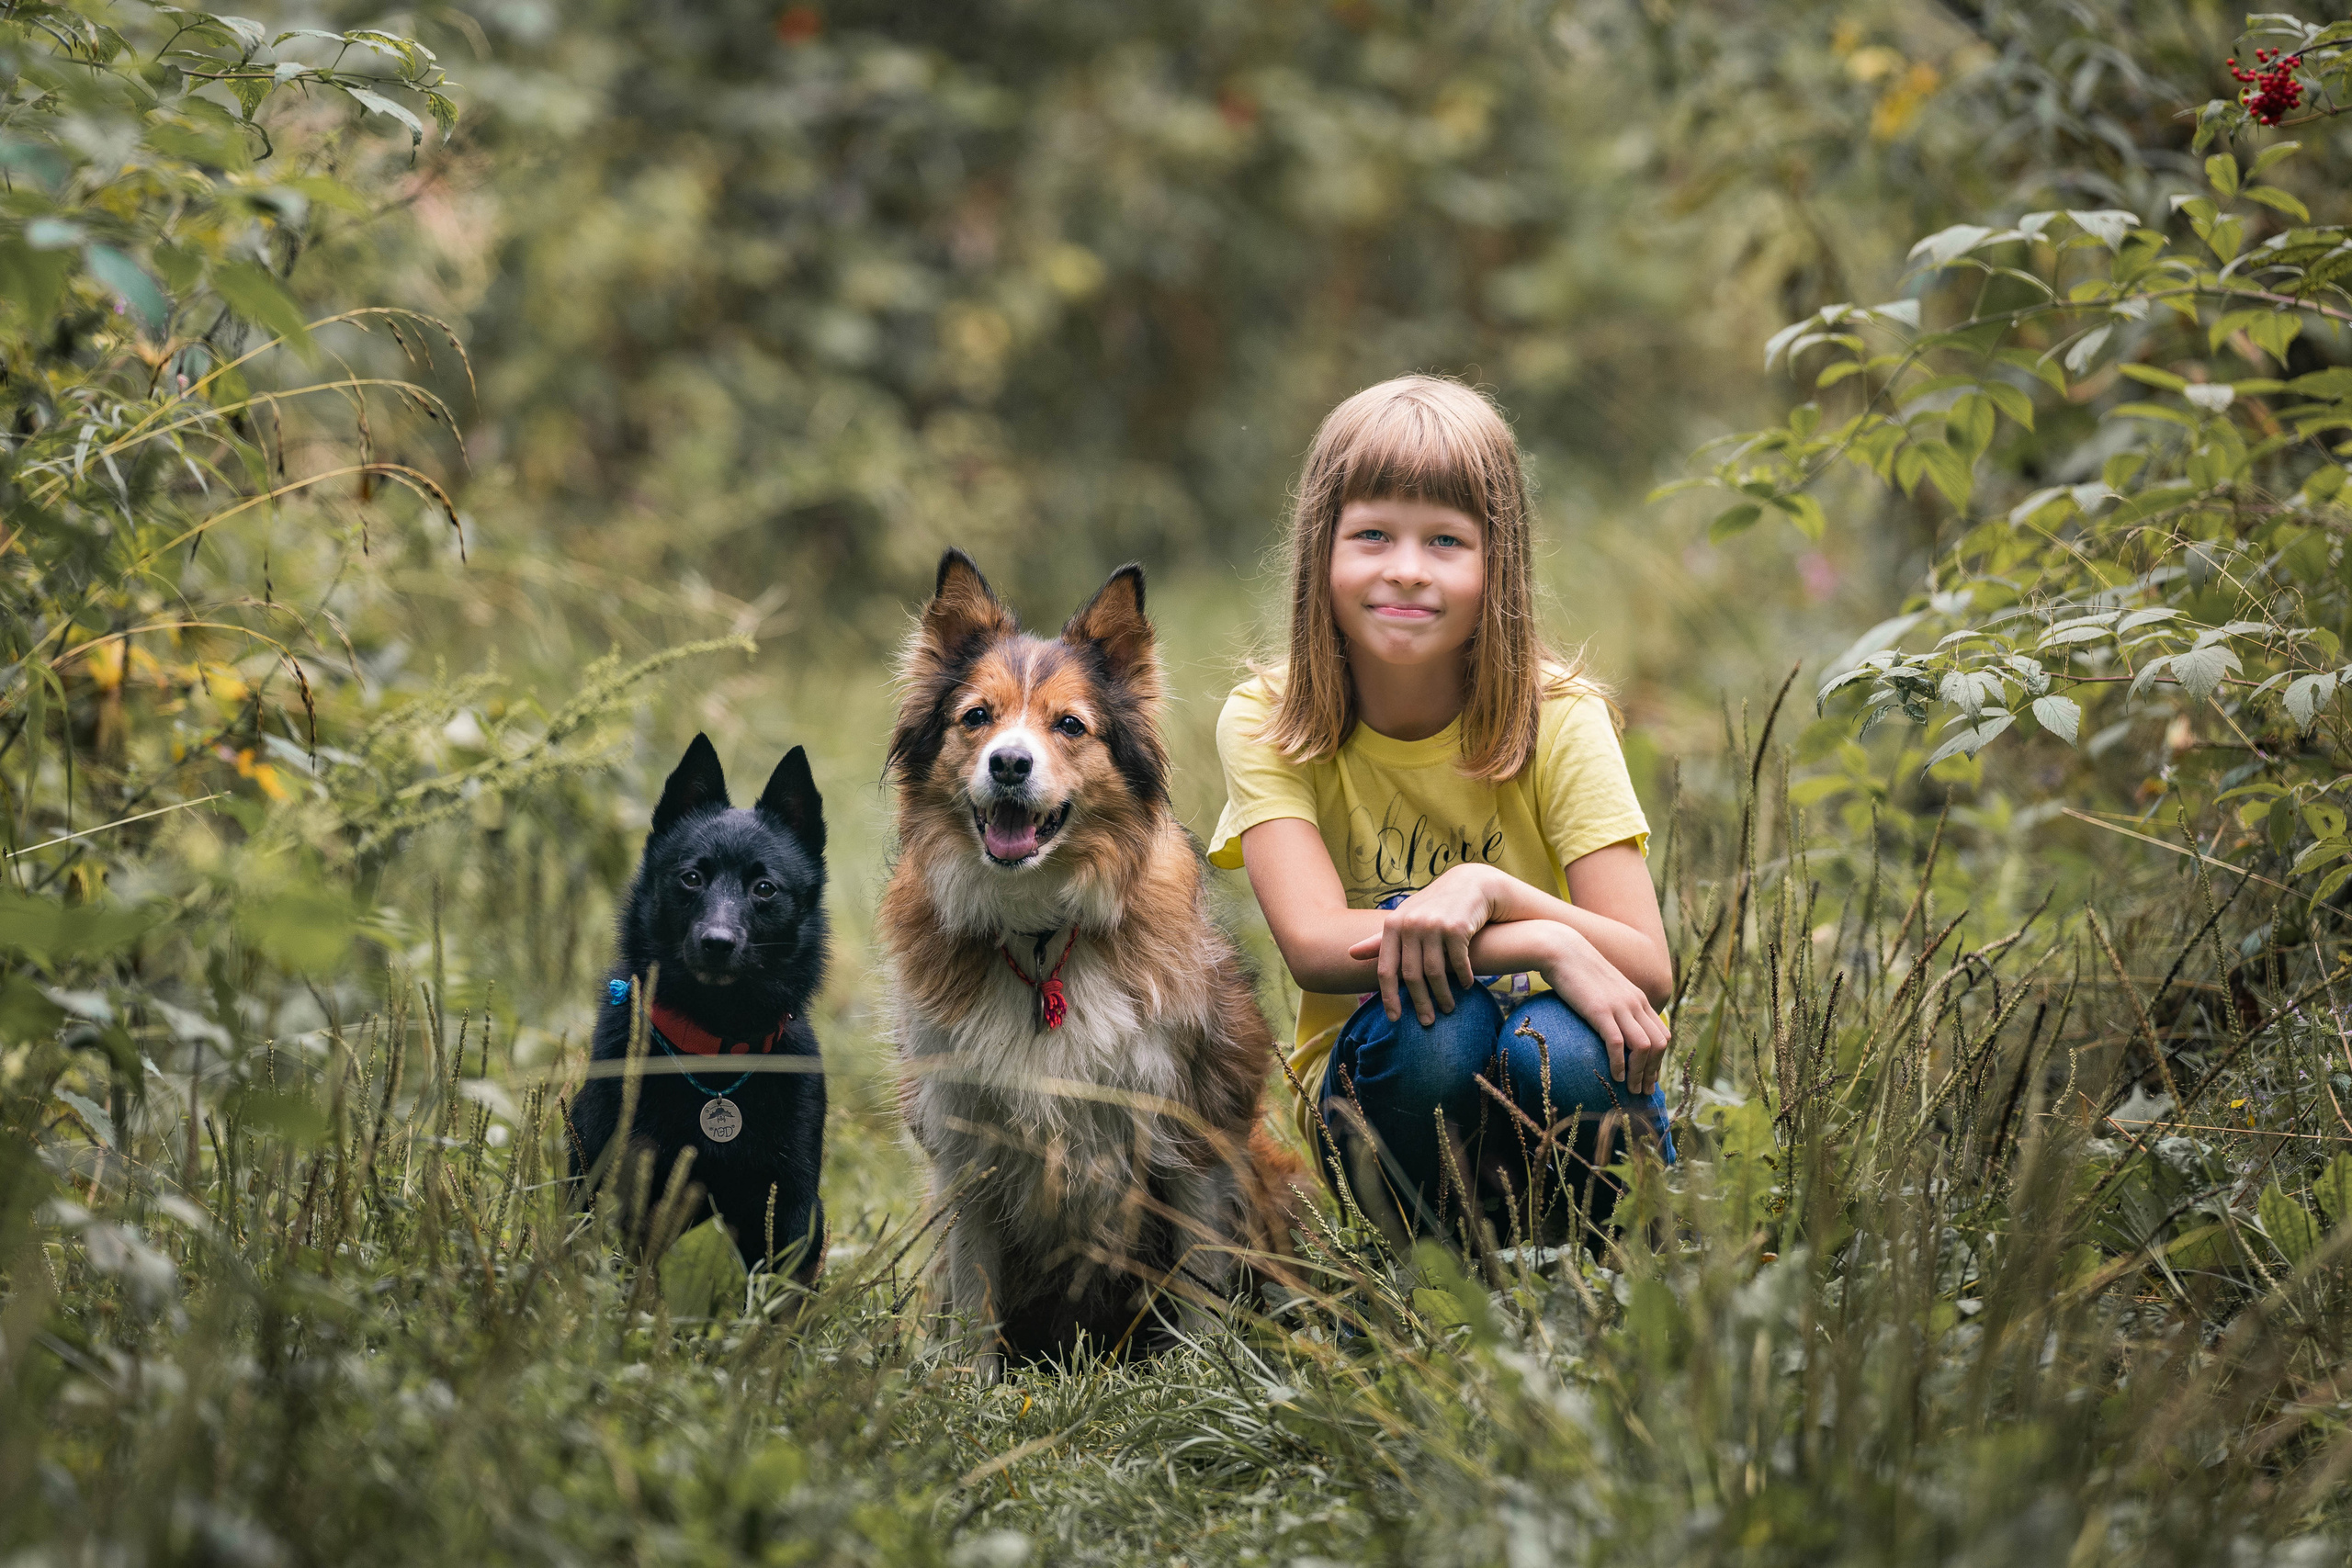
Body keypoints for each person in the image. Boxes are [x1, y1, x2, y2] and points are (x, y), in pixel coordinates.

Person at [1209, 374, 1674, 1252]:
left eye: (1447, 540)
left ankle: (1610, 1264)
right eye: (1373, 533)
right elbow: (1315, 947)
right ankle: (1448, 1271)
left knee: (1561, 1049)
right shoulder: (1268, 719)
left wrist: (1489, 887)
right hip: (1388, 1093)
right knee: (1438, 1024)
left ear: (1499, 561)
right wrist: (1545, 940)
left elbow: (1647, 965)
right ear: (1322, 550)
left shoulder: (1559, 717)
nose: (1407, 569)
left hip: (1557, 1065)